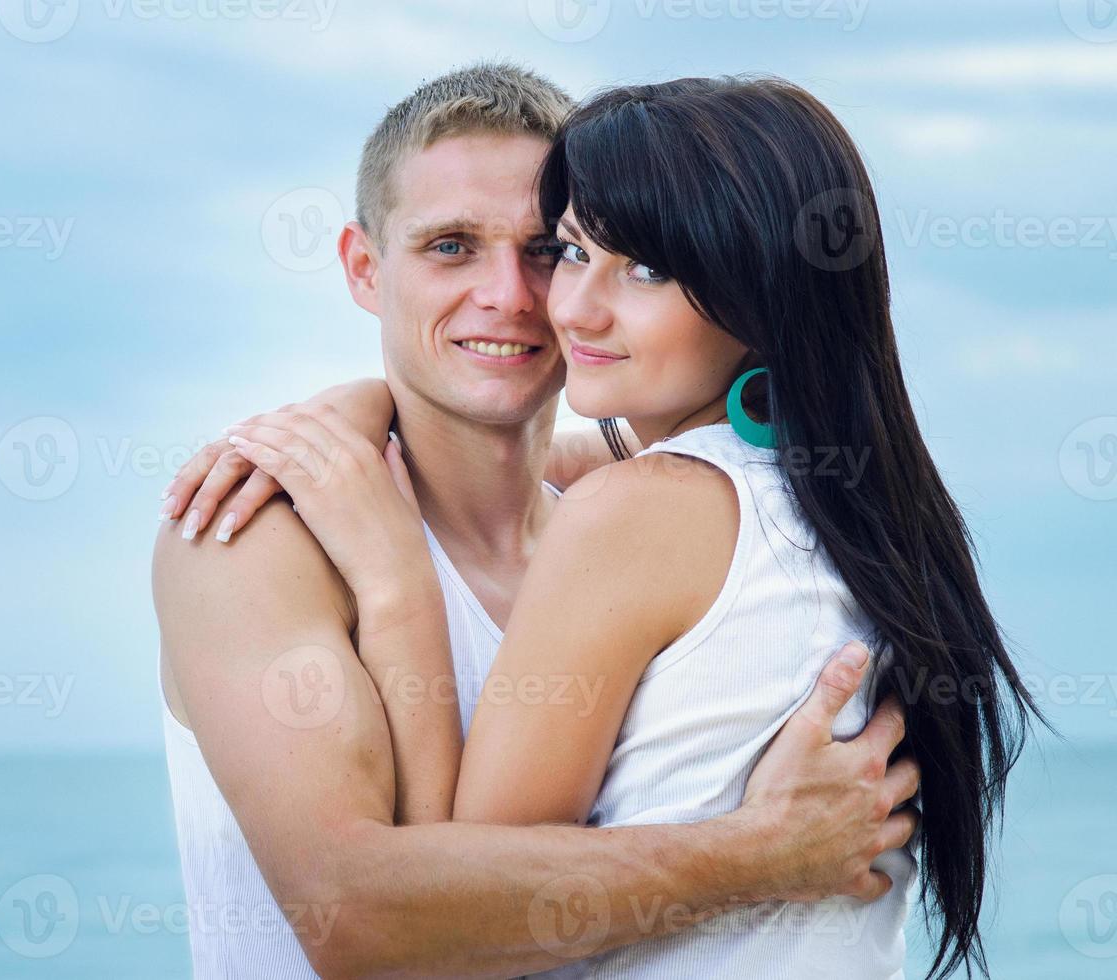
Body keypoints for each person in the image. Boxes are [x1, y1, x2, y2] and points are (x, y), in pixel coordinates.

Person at [199, 75, 1044, 978]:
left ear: (755, 290)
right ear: (365, 268)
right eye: (574, 251)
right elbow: (553, 459)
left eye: (644, 268)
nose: (557, 305)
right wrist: (361, 415)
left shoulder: (638, 512)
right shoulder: (851, 505)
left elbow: (446, 930)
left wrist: (394, 578)